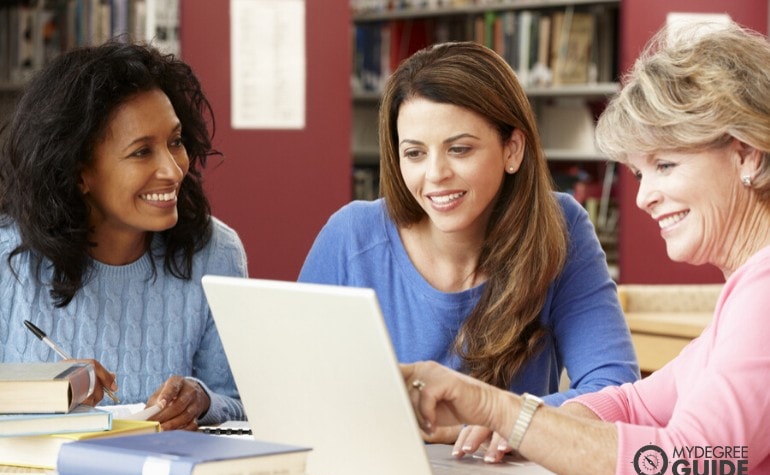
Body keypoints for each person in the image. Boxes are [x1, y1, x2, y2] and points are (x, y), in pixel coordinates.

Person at [400, 20, 770, 475]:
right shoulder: (749, 292)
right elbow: (635, 404)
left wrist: (500, 412)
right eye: (640, 173)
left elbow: (688, 464)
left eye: (665, 165)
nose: (644, 198)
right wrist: (536, 427)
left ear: (746, 156)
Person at [299, 40, 639, 442]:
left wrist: (504, 420)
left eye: (459, 149)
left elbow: (612, 389)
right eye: (414, 153)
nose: (436, 173)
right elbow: (293, 387)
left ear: (512, 149)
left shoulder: (560, 226)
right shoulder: (351, 237)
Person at [0, 41, 248, 430]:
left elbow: (243, 402)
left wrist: (201, 401)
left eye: (175, 142)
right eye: (141, 152)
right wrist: (37, 391)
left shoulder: (215, 254)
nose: (172, 170)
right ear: (80, 171)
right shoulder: (7, 257)